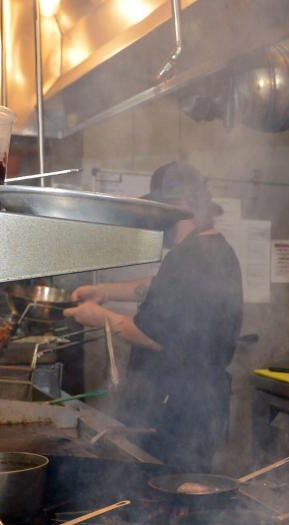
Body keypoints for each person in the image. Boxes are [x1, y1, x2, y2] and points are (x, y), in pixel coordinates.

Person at [64, 162, 243, 471]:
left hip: (179, 407)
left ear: (180, 206)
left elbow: (156, 336)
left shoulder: (191, 257)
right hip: (196, 402)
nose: (156, 222)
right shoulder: (211, 249)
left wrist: (100, 318)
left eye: (160, 211)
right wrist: (104, 292)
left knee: (168, 486)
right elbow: (162, 290)